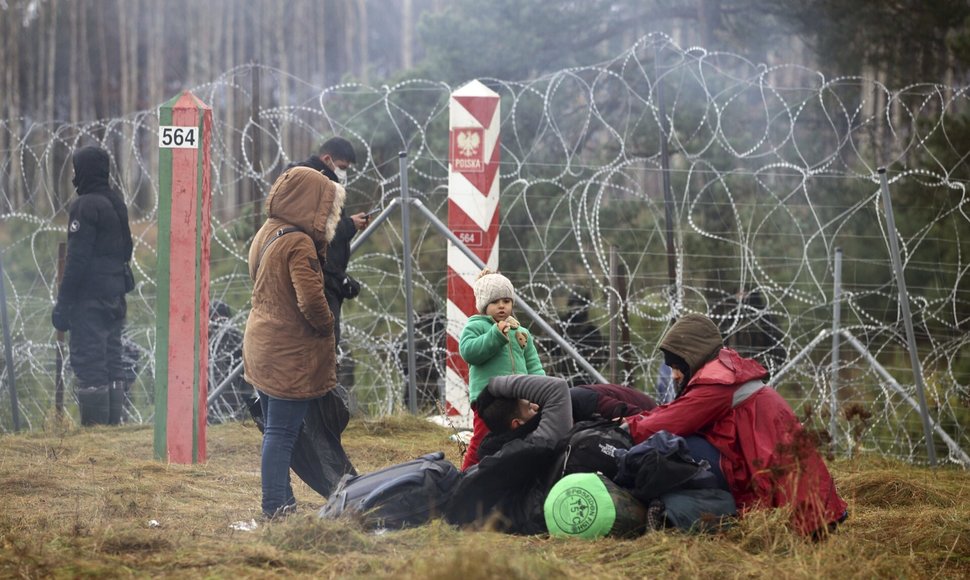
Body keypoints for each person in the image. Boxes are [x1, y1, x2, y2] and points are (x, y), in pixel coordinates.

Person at [621, 313, 848, 536]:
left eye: (677, 365)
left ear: (692, 357)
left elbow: (671, 422)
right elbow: (676, 411)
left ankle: (670, 511)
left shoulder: (717, 384)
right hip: (811, 503)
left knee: (674, 446)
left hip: (796, 507)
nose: (674, 375)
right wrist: (634, 420)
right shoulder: (725, 373)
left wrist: (625, 430)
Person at [242, 166, 346, 519]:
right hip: (288, 352)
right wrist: (328, 327)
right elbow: (312, 301)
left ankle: (282, 502)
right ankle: (274, 506)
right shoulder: (299, 243)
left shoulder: (269, 231)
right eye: (327, 207)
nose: (331, 215)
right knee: (281, 433)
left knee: (276, 429)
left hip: (263, 342)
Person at [51, 145, 134, 426]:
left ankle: (96, 433)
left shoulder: (84, 205)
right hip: (115, 296)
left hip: (89, 301)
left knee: (90, 363)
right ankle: (112, 430)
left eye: (76, 170)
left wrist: (63, 304)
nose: (74, 177)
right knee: (112, 360)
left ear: (84, 171)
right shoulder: (115, 202)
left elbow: (76, 260)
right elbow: (127, 249)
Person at [458, 269, 545, 471]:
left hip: (518, 399)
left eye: (506, 301)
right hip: (489, 400)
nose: (501, 306)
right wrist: (495, 335)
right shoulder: (476, 326)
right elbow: (469, 352)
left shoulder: (521, 332)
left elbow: (533, 364)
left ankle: (500, 474)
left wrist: (540, 391)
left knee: (515, 438)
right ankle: (464, 476)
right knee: (482, 439)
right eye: (495, 302)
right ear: (483, 305)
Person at [289, 137, 367, 348]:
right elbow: (318, 232)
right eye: (342, 167)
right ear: (327, 158)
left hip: (323, 278)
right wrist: (350, 225)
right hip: (317, 280)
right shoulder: (314, 184)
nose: (344, 173)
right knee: (322, 349)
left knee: (321, 350)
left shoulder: (322, 182)